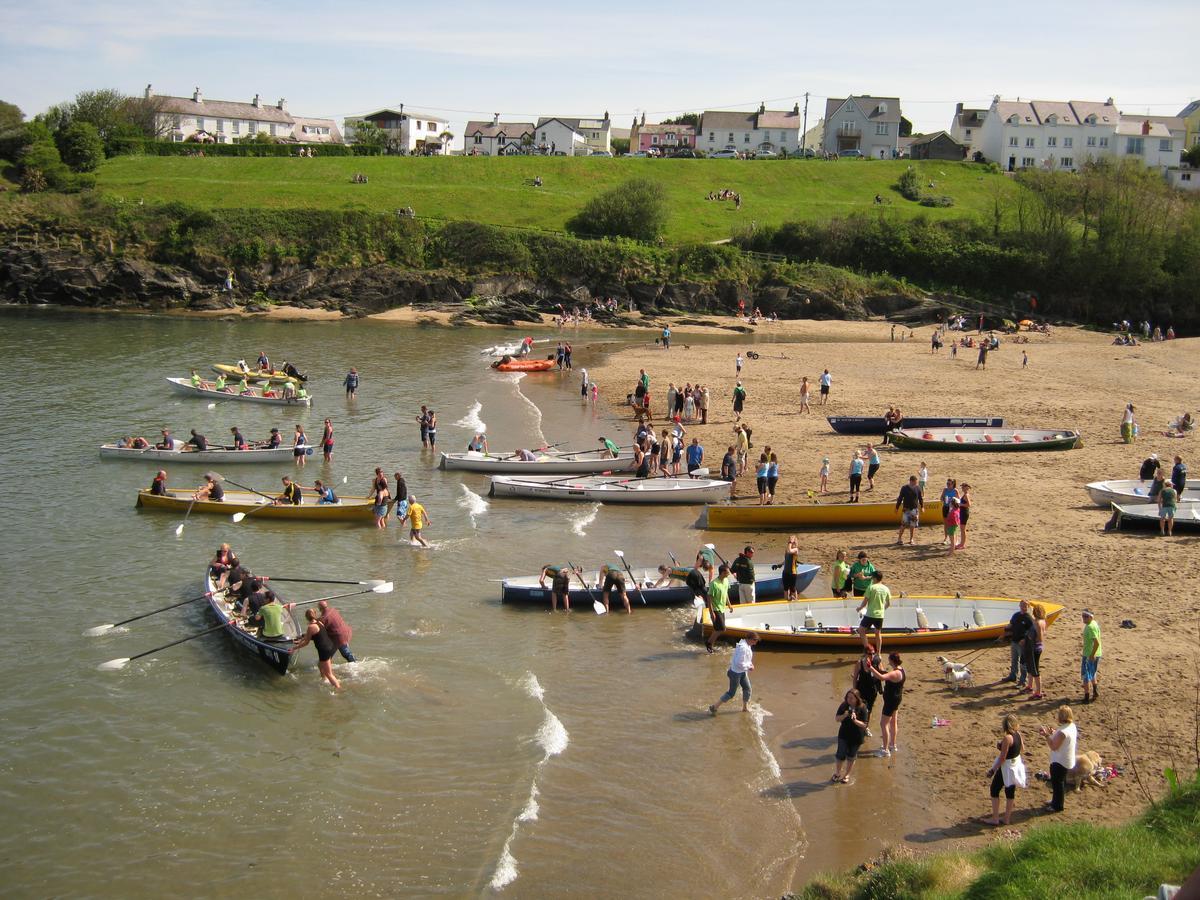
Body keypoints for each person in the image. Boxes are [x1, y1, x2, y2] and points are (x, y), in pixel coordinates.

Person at [983, 714, 1026, 826]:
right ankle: (1006, 818)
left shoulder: (1007, 738)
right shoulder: (1018, 734)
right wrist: (1003, 747)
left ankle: (995, 818)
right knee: (1010, 792)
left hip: (1006, 768)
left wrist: (992, 770)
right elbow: (1022, 748)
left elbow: (1002, 758)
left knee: (994, 789)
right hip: (1015, 766)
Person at [709, 632, 758, 715]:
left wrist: (750, 663)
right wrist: (749, 667)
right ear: (750, 639)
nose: (755, 643)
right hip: (735, 673)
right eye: (755, 641)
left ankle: (745, 708)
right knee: (731, 693)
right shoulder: (743, 648)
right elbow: (739, 662)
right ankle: (714, 707)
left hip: (742, 672)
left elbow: (745, 659)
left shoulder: (746, 645)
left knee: (747, 689)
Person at [1041, 706, 1077, 813]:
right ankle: (1055, 801)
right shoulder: (1071, 726)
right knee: (1059, 782)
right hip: (1067, 759)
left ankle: (1057, 806)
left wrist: (1047, 735)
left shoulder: (1062, 732)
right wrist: (1053, 733)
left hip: (1059, 761)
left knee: (1057, 783)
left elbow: (1053, 746)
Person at [294, 608, 341, 690]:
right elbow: (307, 637)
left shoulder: (311, 627)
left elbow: (306, 642)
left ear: (306, 617)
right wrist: (300, 640)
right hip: (330, 646)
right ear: (315, 615)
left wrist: (295, 647)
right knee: (320, 665)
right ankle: (324, 680)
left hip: (324, 650)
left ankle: (338, 689)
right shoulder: (320, 622)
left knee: (328, 673)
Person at [868, 652, 905, 757]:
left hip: (890, 701)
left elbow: (882, 677)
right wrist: (878, 665)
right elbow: (885, 673)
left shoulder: (895, 673)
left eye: (889, 659)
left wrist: (870, 667)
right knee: (893, 722)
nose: (888, 661)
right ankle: (893, 745)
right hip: (896, 699)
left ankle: (885, 750)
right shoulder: (900, 669)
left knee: (883, 724)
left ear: (892, 660)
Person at [832, 689, 870, 784]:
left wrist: (855, 720)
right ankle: (837, 773)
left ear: (857, 699)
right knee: (840, 755)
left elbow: (865, 725)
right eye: (848, 697)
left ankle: (847, 775)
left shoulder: (862, 707)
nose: (849, 699)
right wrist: (845, 715)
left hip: (856, 736)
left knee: (851, 756)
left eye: (852, 698)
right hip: (843, 735)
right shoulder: (844, 705)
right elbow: (837, 719)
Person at [856, 570, 891, 654]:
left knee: (861, 630)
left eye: (872, 577)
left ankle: (868, 650)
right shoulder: (886, 588)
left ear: (875, 578)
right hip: (880, 615)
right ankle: (878, 653)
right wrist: (882, 610)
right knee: (878, 633)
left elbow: (865, 602)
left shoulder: (871, 587)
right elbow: (888, 604)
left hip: (870, 614)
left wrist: (859, 608)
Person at [1004, 599, 1034, 686]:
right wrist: (1006, 629)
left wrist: (1025, 639)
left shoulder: (1028, 618)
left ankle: (1023, 680)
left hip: (1022, 643)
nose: (1023, 607)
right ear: (1019, 606)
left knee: (1023, 662)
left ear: (1028, 607)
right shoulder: (1016, 615)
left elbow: (1031, 631)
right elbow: (1011, 625)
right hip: (1014, 641)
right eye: (1021, 605)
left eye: (1025, 606)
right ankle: (1013, 675)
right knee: (1014, 659)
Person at [852, 644, 882, 727]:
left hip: (873, 690)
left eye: (873, 653)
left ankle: (866, 726)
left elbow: (881, 674)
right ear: (865, 654)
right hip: (861, 690)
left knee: (869, 709)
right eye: (869, 653)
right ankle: (858, 725)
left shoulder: (877, 661)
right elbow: (855, 678)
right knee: (860, 708)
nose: (872, 655)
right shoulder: (859, 663)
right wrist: (854, 691)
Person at [704, 564, 732, 652]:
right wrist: (711, 612)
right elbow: (709, 598)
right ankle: (709, 643)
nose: (729, 574)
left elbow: (725, 592)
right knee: (721, 628)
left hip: (722, 608)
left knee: (719, 629)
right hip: (716, 609)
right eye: (728, 572)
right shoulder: (714, 584)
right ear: (723, 572)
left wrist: (729, 604)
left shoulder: (726, 581)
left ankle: (710, 643)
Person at [1026, 603, 1048, 699]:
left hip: (1036, 648)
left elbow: (1040, 638)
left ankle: (1038, 692)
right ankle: (1030, 686)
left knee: (1035, 670)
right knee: (1031, 667)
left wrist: (1031, 638)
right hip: (1036, 647)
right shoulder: (1041, 621)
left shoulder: (1038, 623)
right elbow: (1031, 618)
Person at [895, 474, 923, 545]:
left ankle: (911, 539)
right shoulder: (904, 488)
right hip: (906, 509)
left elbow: (920, 498)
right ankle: (899, 538)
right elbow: (900, 498)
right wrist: (897, 507)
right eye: (915, 482)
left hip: (914, 509)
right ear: (911, 481)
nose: (916, 484)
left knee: (912, 525)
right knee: (903, 524)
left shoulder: (918, 488)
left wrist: (922, 507)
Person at [1081, 609, 1101, 703]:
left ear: (1091, 617)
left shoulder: (1090, 627)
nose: (1083, 618)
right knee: (1092, 673)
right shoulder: (1094, 624)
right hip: (1096, 654)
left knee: (1086, 675)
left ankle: (1086, 697)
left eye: (1086, 616)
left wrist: (1092, 655)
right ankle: (1095, 691)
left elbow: (1096, 642)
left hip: (1089, 655)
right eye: (1083, 616)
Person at [780, 535, 801, 601]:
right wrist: (779, 565)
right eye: (789, 540)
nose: (790, 541)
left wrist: (790, 542)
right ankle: (786, 602)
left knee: (793, 589)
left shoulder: (796, 550)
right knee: (785, 589)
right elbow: (786, 559)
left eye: (791, 540)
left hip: (792, 573)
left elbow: (789, 551)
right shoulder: (787, 549)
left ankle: (796, 601)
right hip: (785, 572)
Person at [939, 479, 958, 544]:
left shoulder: (955, 491)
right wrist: (943, 499)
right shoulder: (945, 490)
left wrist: (953, 500)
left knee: (953, 524)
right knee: (946, 523)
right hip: (946, 507)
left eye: (949, 484)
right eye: (947, 484)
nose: (948, 485)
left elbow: (958, 500)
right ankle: (946, 538)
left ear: (953, 484)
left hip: (952, 509)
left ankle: (955, 538)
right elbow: (941, 498)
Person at [956, 483, 973, 549]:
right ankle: (962, 543)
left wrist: (960, 504)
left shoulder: (966, 495)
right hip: (963, 512)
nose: (962, 488)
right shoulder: (965, 495)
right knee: (962, 529)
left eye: (963, 487)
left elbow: (969, 504)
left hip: (964, 512)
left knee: (963, 529)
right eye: (962, 487)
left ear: (966, 487)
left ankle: (962, 544)